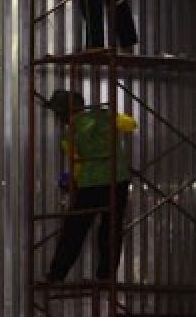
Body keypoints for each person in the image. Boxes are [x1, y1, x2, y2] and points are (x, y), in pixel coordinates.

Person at [44, 89, 136, 283]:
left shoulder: (70, 135)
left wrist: (71, 182)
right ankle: (105, 276)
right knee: (111, 229)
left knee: (74, 230)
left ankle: (56, 275)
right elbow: (131, 124)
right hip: (117, 180)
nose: (58, 118)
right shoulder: (104, 116)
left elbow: (77, 165)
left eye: (59, 113)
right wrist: (111, 117)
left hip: (91, 183)